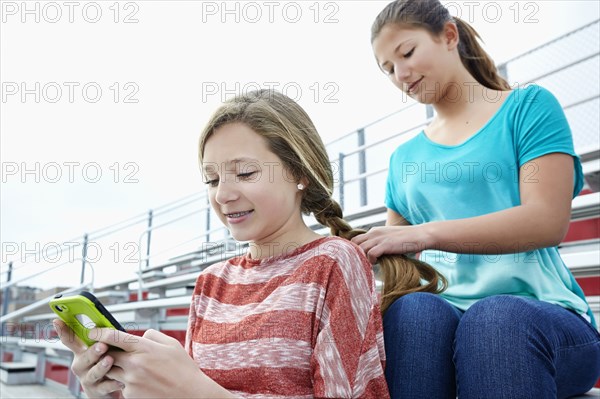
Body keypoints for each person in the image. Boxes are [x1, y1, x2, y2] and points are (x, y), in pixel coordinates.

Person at [53, 89, 442, 398]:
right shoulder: (210, 283)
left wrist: (199, 394)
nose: (223, 195)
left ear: (299, 173)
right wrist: (102, 387)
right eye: (211, 179)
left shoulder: (334, 263)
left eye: (244, 172)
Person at [350, 1, 600, 398]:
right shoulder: (403, 160)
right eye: (388, 69)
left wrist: (424, 235)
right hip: (442, 324)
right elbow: (402, 263)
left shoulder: (528, 108)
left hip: (540, 321)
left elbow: (546, 220)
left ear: (449, 36)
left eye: (408, 53)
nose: (401, 74)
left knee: (495, 319)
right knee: (412, 314)